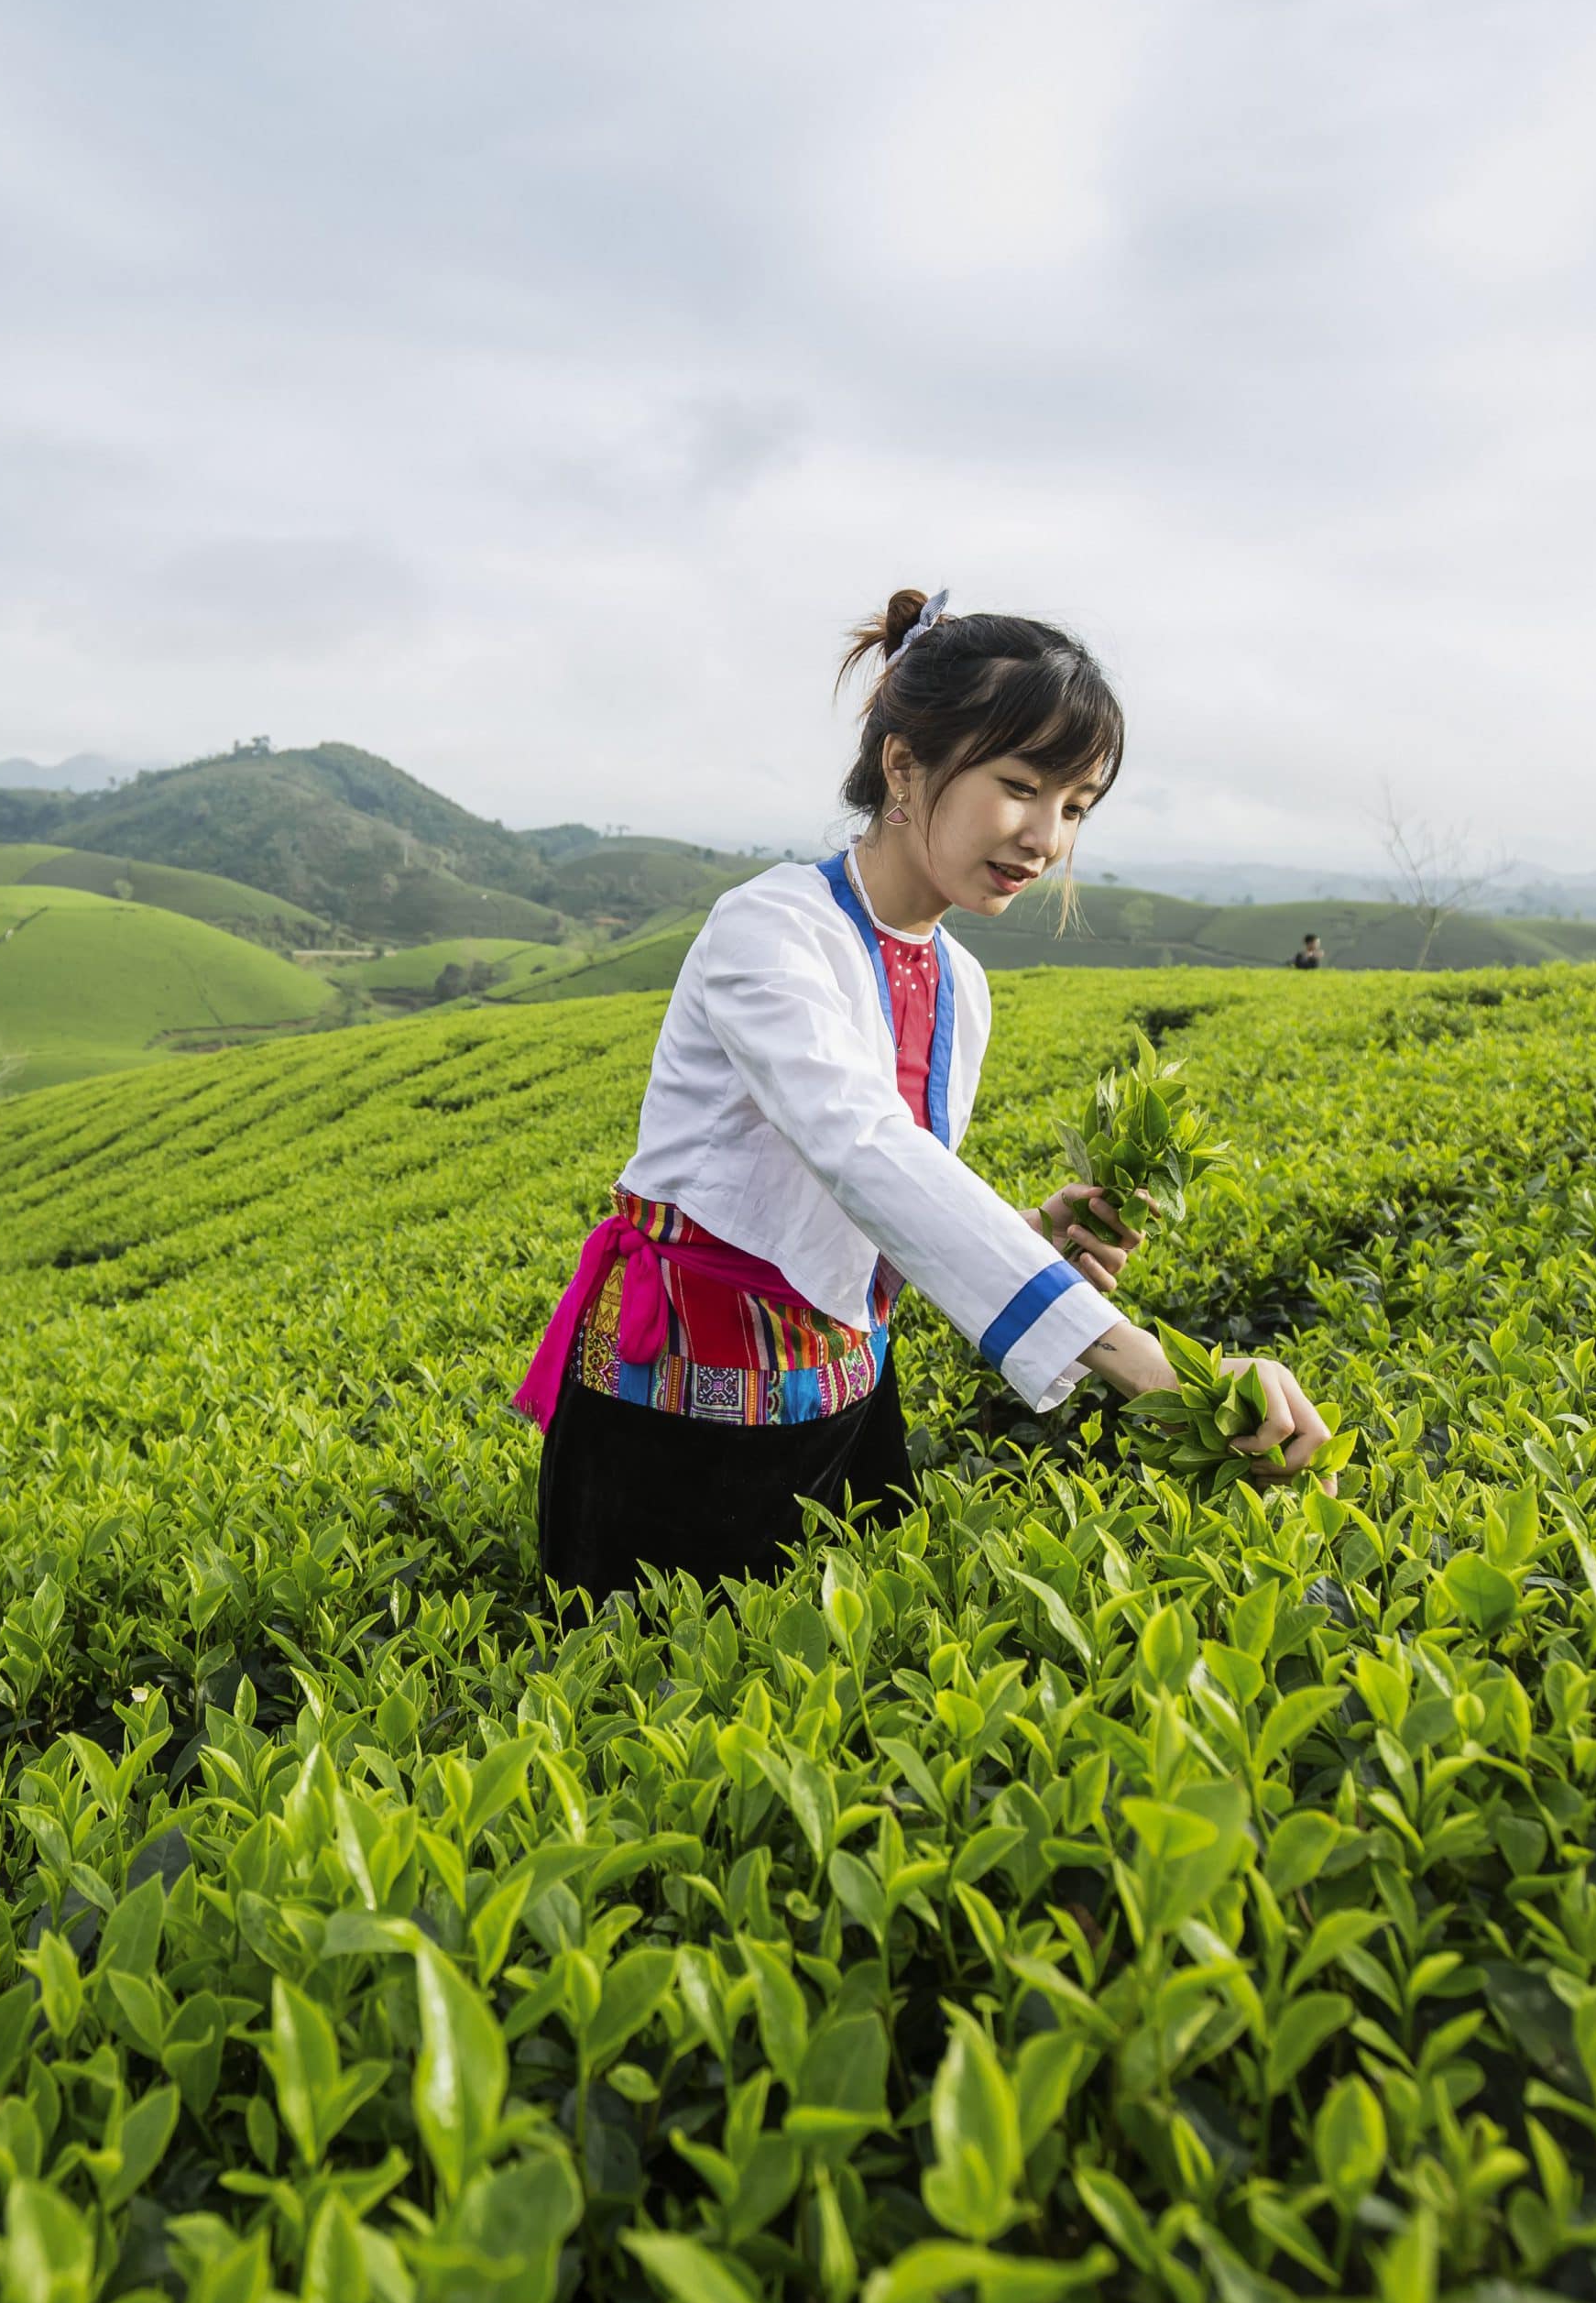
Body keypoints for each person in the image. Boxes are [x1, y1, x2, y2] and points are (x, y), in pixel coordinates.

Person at [518, 587, 1330, 1598]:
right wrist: (1147, 1363)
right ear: (904, 765)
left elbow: (879, 1211)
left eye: (1074, 807)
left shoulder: (958, 982)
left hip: (847, 1401)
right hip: (684, 1412)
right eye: (1021, 785)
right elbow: (860, 1146)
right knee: (653, 1708)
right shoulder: (768, 930)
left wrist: (1032, 1237)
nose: (1045, 837)